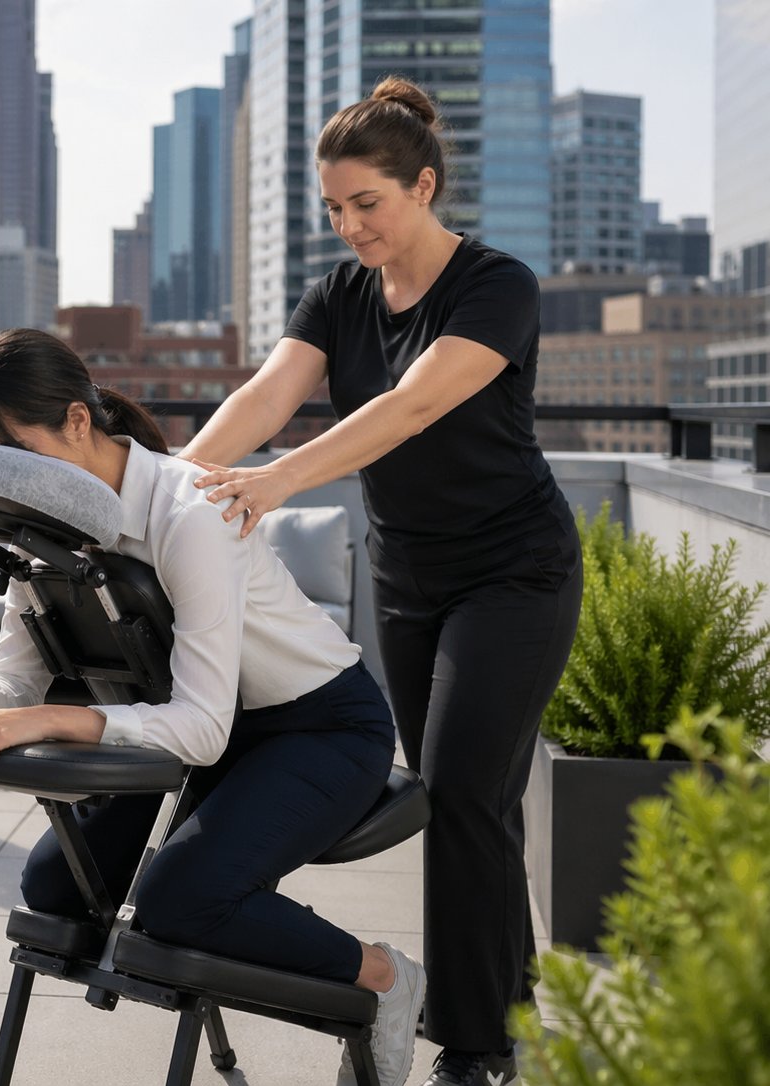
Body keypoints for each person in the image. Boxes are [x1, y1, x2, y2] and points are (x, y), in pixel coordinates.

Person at [181, 78, 582, 1086]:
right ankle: (514, 1007)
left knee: (457, 789)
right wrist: (166, 488)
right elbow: (268, 392)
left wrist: (271, 485)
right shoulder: (335, 294)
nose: (349, 225)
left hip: (513, 573)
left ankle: (477, 1047)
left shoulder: (495, 285)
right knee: (476, 802)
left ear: (422, 186)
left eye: (367, 203)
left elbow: (406, 409)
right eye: (333, 207)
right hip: (407, 580)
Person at [0, 328, 428, 1086]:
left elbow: (200, 726)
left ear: (79, 422)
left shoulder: (192, 513)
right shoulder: (37, 529)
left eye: (15, 454)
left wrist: (51, 719)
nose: (4, 481)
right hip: (204, 733)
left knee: (181, 903)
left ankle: (385, 978)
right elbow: (14, 676)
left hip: (319, 725)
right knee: (56, 893)